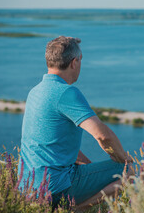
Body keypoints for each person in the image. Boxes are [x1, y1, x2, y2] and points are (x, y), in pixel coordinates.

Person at [18, 36, 132, 210]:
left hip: (27, 188)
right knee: (132, 171)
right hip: (56, 189)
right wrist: (124, 159)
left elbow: (55, 143)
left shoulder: (35, 92)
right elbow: (103, 136)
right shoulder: (67, 92)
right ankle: (76, 209)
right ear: (74, 62)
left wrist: (90, 167)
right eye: (81, 60)